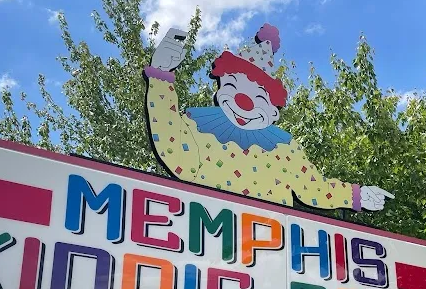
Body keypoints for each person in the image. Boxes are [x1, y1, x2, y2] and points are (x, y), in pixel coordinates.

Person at [145, 24, 393, 212]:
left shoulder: (284, 148)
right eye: (233, 86)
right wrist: (160, 77)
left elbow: (314, 190)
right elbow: (172, 148)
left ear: (274, 112)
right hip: (203, 237)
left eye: (259, 98)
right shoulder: (198, 125)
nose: (244, 103)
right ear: (220, 89)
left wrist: (356, 196)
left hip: (266, 247)